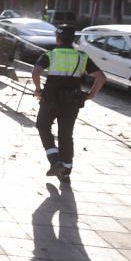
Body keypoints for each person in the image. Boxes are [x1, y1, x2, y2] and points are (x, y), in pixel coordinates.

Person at [31, 25, 106, 182]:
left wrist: (38, 89)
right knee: (66, 135)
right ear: (73, 40)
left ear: (58, 38)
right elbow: (101, 77)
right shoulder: (82, 57)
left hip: (50, 100)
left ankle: (55, 160)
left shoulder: (50, 55)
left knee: (43, 126)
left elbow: (36, 71)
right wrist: (91, 95)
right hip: (72, 102)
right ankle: (66, 171)